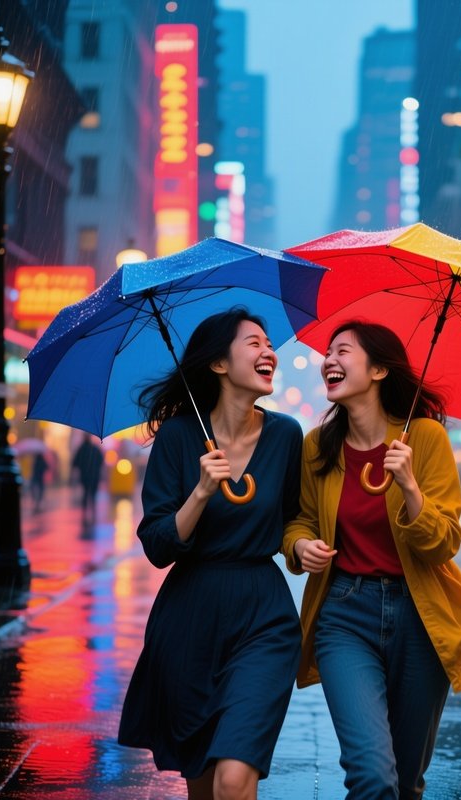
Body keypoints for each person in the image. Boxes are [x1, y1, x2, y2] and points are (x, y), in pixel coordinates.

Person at [282, 322, 461, 800]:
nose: (329, 361)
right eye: (328, 352)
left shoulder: (424, 439)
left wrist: (409, 488)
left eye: (343, 351)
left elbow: (444, 542)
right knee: (372, 775)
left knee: (405, 784)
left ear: (379, 370)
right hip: (344, 615)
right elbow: (300, 520)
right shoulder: (317, 445)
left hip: (420, 616)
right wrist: (300, 546)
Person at [118, 308, 303, 800]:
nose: (268, 352)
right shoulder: (178, 437)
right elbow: (158, 545)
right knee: (202, 785)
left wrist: (301, 544)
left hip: (264, 615)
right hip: (190, 619)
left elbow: (294, 519)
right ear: (219, 364)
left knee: (235, 777)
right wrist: (200, 492)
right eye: (254, 343)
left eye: (269, 344)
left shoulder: (286, 435)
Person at [71, 433, 103, 524]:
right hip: (94, 476)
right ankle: (92, 512)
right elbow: (101, 461)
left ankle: (85, 513)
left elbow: (75, 462)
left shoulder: (81, 449)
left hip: (85, 476)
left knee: (85, 494)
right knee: (92, 494)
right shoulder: (95, 449)